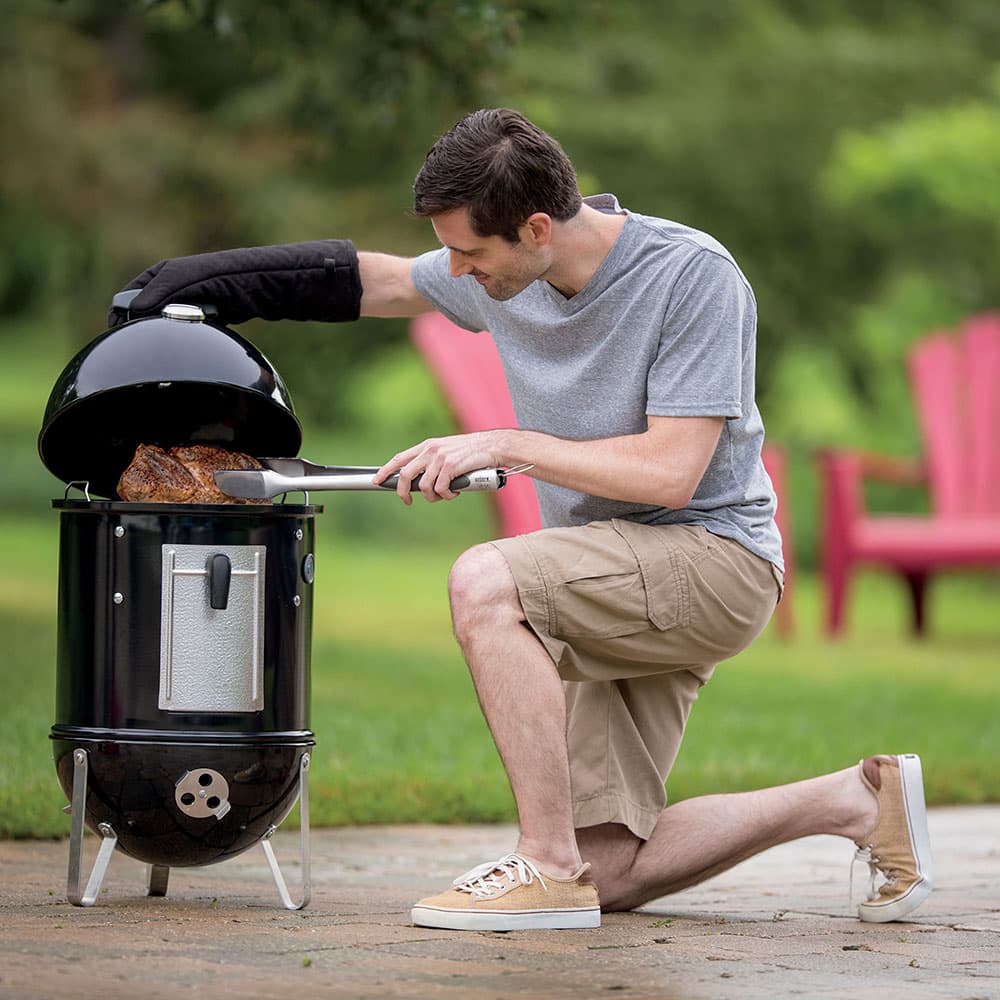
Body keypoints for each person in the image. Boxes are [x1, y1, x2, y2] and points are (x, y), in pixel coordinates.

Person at [113, 108, 933, 933]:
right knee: (606, 872)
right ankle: (858, 801)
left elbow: (671, 473)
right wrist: (206, 282)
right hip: (607, 567)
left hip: (713, 559)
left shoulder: (691, 277)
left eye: (471, 252)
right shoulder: (505, 276)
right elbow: (378, 280)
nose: (457, 272)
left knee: (485, 580)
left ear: (537, 227)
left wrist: (505, 443)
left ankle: (541, 862)